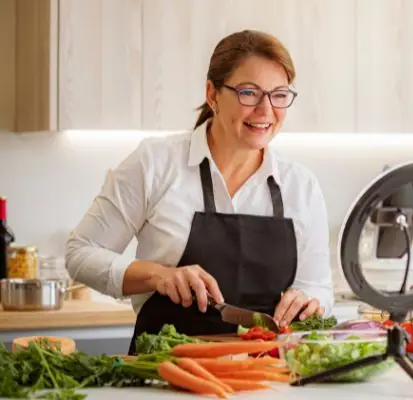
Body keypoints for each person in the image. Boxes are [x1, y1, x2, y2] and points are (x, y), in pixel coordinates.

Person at [65, 30, 334, 354]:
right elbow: (80, 253)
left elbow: (318, 286)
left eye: (279, 95)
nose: (266, 110)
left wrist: (307, 300)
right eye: (249, 93)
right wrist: (158, 276)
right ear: (212, 94)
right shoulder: (156, 163)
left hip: (268, 376)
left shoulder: (300, 186)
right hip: (165, 374)